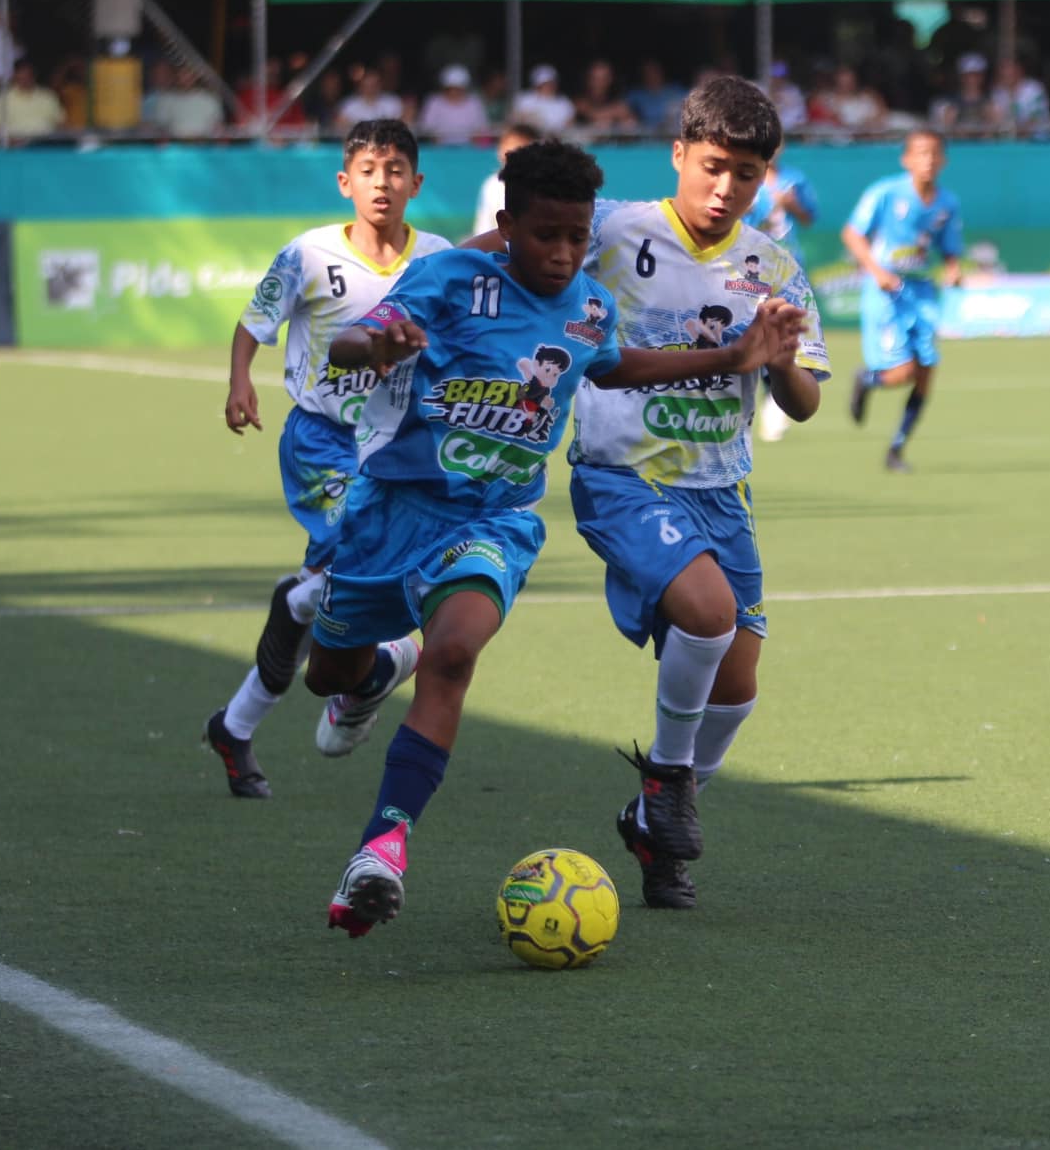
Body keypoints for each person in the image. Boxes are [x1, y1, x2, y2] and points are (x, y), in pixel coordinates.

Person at [303, 138, 803, 938]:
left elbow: (616, 366)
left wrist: (735, 355)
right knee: (328, 668)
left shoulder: (588, 307)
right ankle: (365, 678)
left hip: (493, 519)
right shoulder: (449, 280)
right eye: (546, 236)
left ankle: (380, 851)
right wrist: (377, 346)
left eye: (577, 238)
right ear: (506, 226)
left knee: (455, 652)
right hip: (388, 512)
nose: (566, 254)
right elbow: (354, 340)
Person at [547, 77, 825, 910]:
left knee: (736, 690)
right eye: (711, 166)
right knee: (707, 614)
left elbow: (804, 401)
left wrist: (775, 355)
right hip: (621, 475)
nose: (724, 188)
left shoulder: (772, 267)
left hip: (720, 491)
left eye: (745, 174)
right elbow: (505, 245)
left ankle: (650, 826)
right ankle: (666, 783)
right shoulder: (611, 229)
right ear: (678, 154)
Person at [205, 119, 455, 799]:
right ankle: (373, 672)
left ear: (416, 183)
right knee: (356, 564)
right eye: (370, 170)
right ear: (346, 182)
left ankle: (236, 724)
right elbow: (255, 322)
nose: (384, 182)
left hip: (402, 446)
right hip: (323, 441)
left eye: (397, 169)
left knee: (326, 595)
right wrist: (239, 382)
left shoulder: (438, 256)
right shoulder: (308, 255)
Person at [842, 129, 964, 472]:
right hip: (887, 293)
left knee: (926, 371)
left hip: (922, 292)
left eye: (934, 154)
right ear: (906, 159)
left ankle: (896, 449)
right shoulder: (885, 193)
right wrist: (877, 271)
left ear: (943, 160)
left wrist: (953, 270)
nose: (927, 160)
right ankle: (867, 380)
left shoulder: (947, 204)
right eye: (920, 153)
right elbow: (852, 234)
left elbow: (950, 248)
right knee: (903, 371)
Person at [748, 146, 822, 443]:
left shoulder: (794, 179)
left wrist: (791, 205)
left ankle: (773, 399)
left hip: (787, 266)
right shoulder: (745, 177)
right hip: (749, 267)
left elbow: (808, 218)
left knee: (780, 334)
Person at [470, 122, 542, 237]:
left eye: (519, 145)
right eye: (507, 145)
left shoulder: (545, 184)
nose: (511, 151)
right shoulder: (492, 185)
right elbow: (483, 228)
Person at [0, 58, 64, 144]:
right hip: (14, 148)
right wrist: (9, 139)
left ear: (34, 76)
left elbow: (61, 123)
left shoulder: (48, 97)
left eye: (28, 76)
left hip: (46, 145)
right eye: (21, 76)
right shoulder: (2, 100)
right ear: (15, 77)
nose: (25, 79)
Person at [416, 64, 487, 145]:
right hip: (438, 150)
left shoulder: (474, 103)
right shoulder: (434, 102)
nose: (454, 92)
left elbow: (482, 129)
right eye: (451, 89)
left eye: (458, 89)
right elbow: (425, 128)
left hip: (469, 150)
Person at [572, 59, 637, 136]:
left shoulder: (618, 99)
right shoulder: (579, 100)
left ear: (610, 79)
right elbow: (591, 113)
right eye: (594, 78)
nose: (598, 83)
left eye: (603, 79)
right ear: (588, 79)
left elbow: (632, 119)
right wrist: (613, 114)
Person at [512, 63, 576, 135]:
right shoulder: (525, 99)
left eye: (551, 83)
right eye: (544, 84)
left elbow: (570, 124)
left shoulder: (564, 102)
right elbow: (517, 120)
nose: (548, 86)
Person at [336, 69, 405, 134]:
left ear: (380, 84)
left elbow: (402, 125)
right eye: (367, 85)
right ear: (360, 86)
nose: (370, 88)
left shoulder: (393, 101)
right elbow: (339, 127)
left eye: (374, 85)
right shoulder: (348, 105)